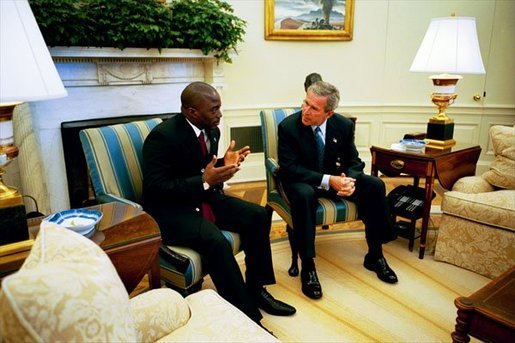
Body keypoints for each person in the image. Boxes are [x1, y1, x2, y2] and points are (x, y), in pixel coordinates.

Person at [142, 82, 296, 326]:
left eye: (219, 108)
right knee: (214, 240)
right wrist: (204, 180)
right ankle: (248, 317)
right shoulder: (162, 137)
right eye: (214, 109)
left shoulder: (211, 131)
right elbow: (157, 188)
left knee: (258, 215)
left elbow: (202, 166)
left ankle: (257, 289)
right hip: (170, 210)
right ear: (191, 112)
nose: (220, 114)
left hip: (202, 197)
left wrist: (226, 164)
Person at [277, 81, 398, 300]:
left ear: (329, 113)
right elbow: (290, 168)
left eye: (314, 108)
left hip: (336, 179)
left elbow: (353, 160)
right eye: (305, 102)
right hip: (303, 181)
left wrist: (349, 180)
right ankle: (309, 267)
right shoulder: (288, 127)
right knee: (303, 195)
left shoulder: (343, 125)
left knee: (375, 185)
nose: (305, 110)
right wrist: (328, 180)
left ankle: (375, 255)